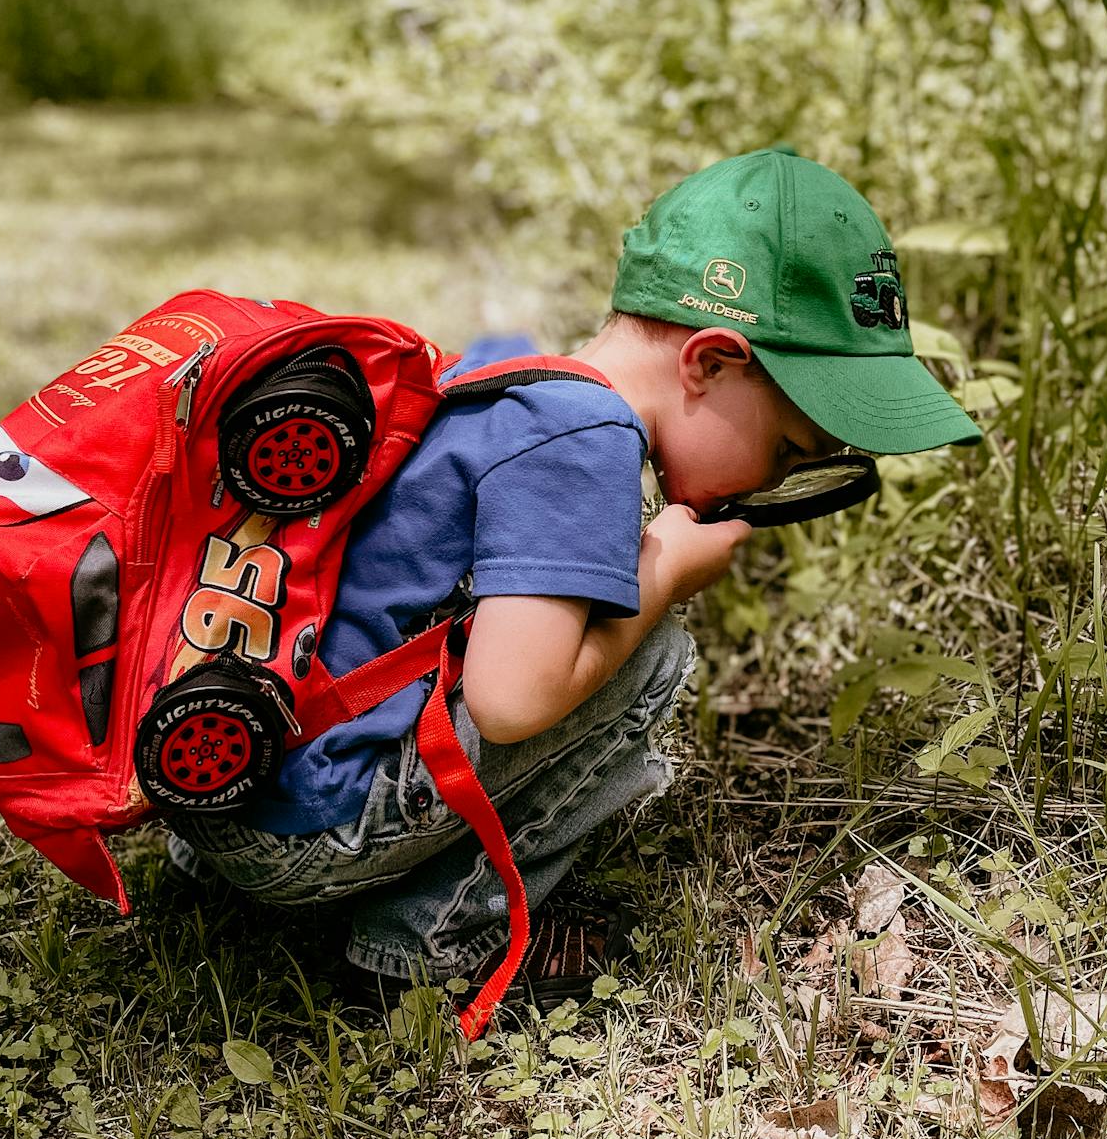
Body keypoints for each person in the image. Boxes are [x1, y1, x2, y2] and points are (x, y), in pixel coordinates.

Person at [167, 146, 980, 991]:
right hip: (305, 839)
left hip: (224, 793)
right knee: (652, 652)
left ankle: (213, 886)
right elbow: (512, 703)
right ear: (708, 362)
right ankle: (427, 949)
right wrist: (660, 575)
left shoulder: (511, 386)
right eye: (784, 450)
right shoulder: (587, 441)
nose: (773, 483)